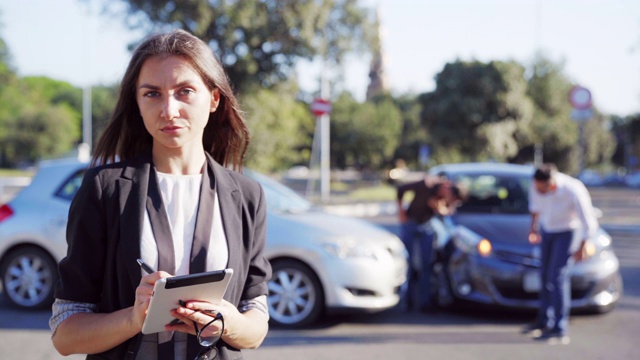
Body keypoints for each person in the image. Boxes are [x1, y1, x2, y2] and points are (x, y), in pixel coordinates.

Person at [49, 29, 272, 360]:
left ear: (213, 99)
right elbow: (65, 334)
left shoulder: (247, 195)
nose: (169, 110)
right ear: (137, 103)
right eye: (152, 94)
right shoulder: (104, 189)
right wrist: (133, 318)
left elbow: (256, 325)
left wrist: (227, 323)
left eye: (184, 91)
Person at [524, 163, 598, 345]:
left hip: (566, 232)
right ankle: (544, 320)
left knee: (557, 277)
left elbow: (588, 220)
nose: (539, 191)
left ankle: (559, 327)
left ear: (552, 183)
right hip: (547, 230)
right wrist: (533, 229)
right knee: (544, 275)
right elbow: (535, 208)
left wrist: (583, 245)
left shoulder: (572, 189)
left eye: (543, 189)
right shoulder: (536, 185)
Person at [396, 175, 465, 312]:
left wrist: (444, 207)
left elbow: (447, 211)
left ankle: (425, 301)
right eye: (448, 195)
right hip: (411, 222)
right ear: (446, 185)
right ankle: (407, 300)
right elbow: (401, 189)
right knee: (408, 262)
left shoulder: (444, 198)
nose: (447, 199)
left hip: (426, 226)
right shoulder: (426, 184)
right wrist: (402, 210)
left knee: (426, 264)